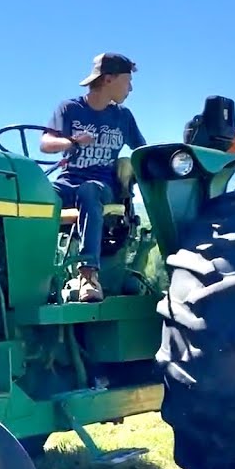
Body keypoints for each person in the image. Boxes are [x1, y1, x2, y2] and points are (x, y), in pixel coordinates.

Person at [40, 52, 146, 302]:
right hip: (68, 182)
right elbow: (45, 144)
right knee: (37, 197)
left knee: (89, 190)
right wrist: (72, 141)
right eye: (127, 81)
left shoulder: (123, 117)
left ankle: (88, 276)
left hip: (102, 186)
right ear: (108, 79)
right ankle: (35, 274)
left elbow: (142, 151)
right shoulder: (70, 108)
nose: (130, 88)